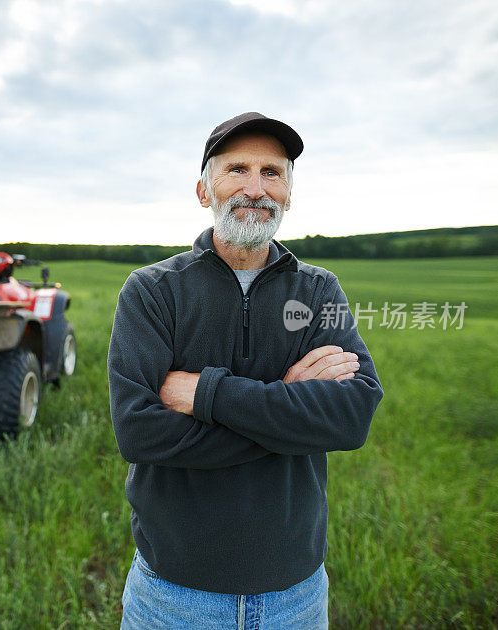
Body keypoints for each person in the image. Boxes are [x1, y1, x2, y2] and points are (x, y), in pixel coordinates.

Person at [107, 112, 384, 629]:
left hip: (294, 597)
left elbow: (352, 416)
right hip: (172, 596)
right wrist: (289, 408)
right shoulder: (151, 291)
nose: (255, 188)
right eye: (237, 169)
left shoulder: (319, 290)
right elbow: (139, 432)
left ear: (289, 192)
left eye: (272, 173)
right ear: (203, 189)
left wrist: (207, 396)